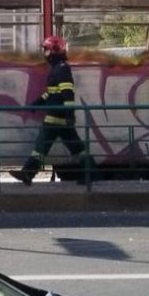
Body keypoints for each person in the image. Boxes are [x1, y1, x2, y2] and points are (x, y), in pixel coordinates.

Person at [10, 35, 96, 186]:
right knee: (75, 148)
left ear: (54, 50)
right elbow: (51, 92)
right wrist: (37, 104)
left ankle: (27, 173)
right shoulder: (58, 69)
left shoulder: (62, 69)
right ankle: (91, 173)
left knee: (42, 146)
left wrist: (70, 115)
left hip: (57, 117)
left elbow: (67, 94)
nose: (45, 54)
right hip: (58, 117)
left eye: (46, 50)